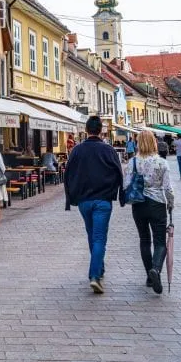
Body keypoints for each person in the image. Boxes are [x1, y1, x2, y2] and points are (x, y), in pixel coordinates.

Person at [64, 116, 124, 294]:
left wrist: (71, 197)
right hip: (103, 200)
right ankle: (95, 275)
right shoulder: (108, 150)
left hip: (84, 201)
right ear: (101, 131)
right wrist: (118, 193)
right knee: (99, 238)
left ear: (86, 130)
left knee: (92, 236)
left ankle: (99, 268)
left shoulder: (77, 150)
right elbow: (118, 173)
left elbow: (68, 174)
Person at [127, 131, 175, 294]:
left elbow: (127, 183)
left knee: (144, 239)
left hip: (138, 204)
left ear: (138, 143)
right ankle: (155, 269)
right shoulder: (161, 162)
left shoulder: (133, 162)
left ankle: (149, 276)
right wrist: (171, 203)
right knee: (160, 241)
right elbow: (168, 188)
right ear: (154, 142)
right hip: (157, 203)